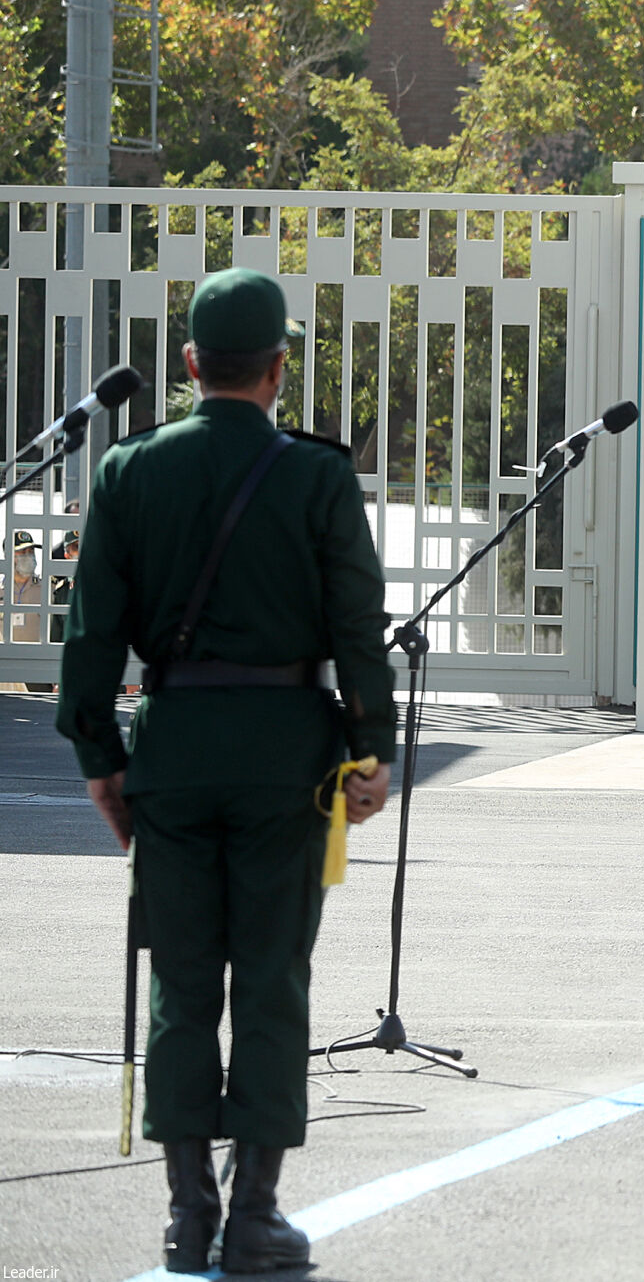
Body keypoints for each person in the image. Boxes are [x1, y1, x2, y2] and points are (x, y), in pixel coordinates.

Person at [56, 267, 396, 1276]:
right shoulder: (317, 475)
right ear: (279, 370)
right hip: (289, 759)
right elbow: (355, 629)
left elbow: (91, 638)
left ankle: (184, 1212)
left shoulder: (130, 471)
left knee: (183, 986)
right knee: (273, 983)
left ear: (193, 364)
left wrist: (99, 760)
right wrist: (370, 750)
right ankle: (255, 1213)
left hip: (172, 753)